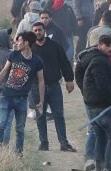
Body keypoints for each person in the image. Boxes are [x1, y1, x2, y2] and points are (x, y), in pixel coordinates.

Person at [0, 31, 45, 154]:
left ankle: (18, 154)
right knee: (1, 125)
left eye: (19, 40)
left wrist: (41, 101)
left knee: (20, 129)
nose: (16, 43)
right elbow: (3, 72)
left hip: (22, 99)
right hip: (6, 96)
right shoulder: (14, 55)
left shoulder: (37, 61)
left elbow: (41, 81)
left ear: (26, 43)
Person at [75, 35, 111, 171]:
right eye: (108, 45)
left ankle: (99, 170)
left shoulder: (94, 58)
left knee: (101, 137)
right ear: (100, 45)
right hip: (102, 106)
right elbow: (101, 85)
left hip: (92, 105)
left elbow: (92, 81)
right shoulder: (100, 61)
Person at [28, 21, 76, 151]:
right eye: (35, 30)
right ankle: (44, 143)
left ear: (44, 31)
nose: (38, 32)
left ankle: (64, 143)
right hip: (36, 87)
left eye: (40, 30)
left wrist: (69, 79)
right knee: (40, 115)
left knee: (58, 115)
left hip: (54, 85)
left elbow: (65, 63)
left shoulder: (55, 46)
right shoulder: (30, 49)